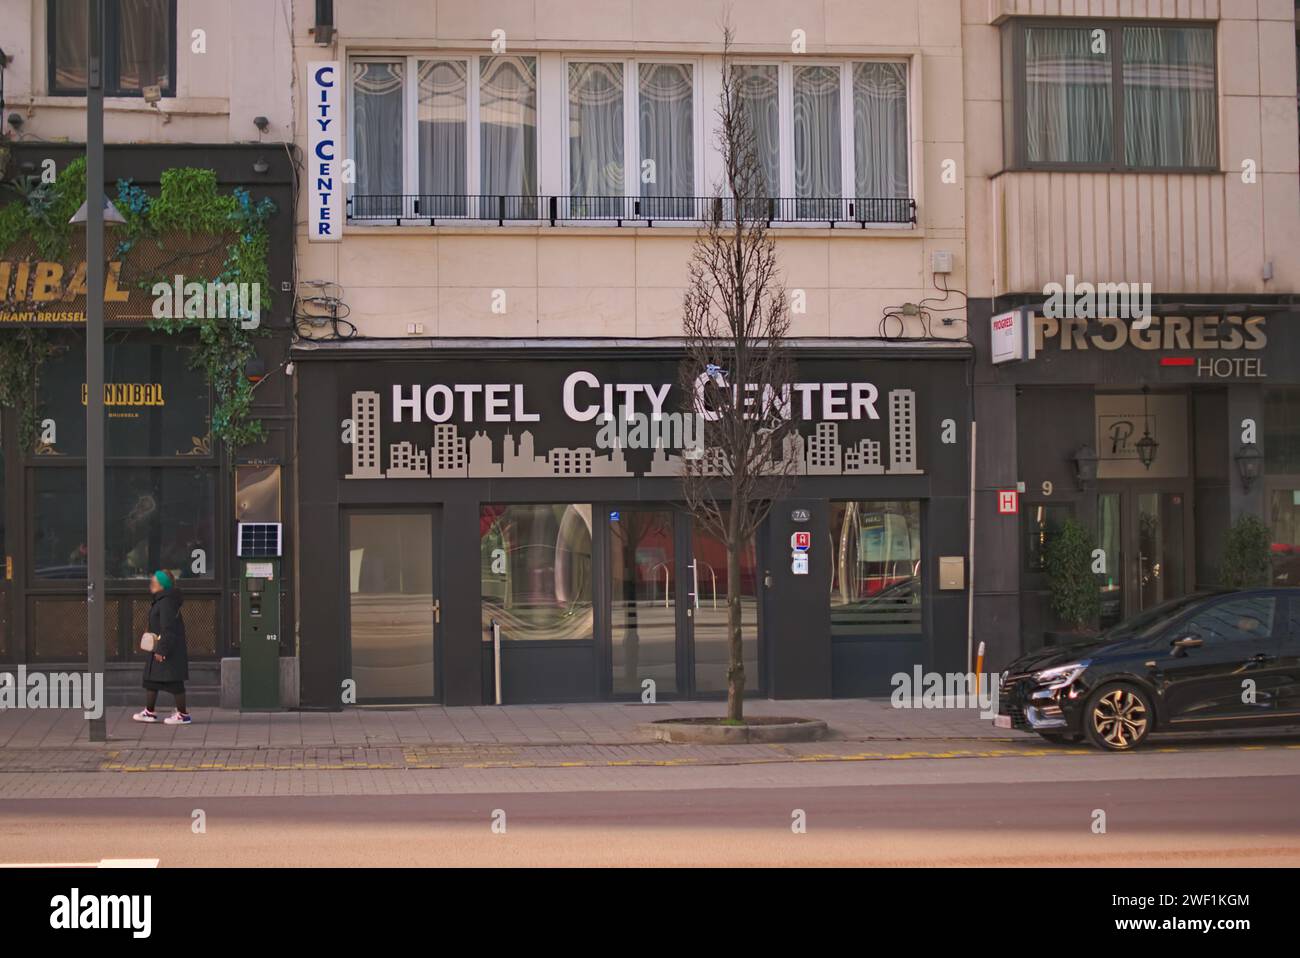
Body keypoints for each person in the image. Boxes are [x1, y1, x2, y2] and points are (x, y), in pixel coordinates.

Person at [132, 570, 192, 725]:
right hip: (161, 646)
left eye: (155, 582)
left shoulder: (166, 602)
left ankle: (183, 715)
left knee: (175, 682)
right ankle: (149, 712)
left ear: (162, 585)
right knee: (151, 680)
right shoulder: (162, 600)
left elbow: (169, 628)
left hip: (167, 649)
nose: (151, 584)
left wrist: (161, 650)